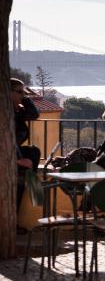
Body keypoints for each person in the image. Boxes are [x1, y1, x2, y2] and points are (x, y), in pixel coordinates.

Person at [12, 78, 40, 232]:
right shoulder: (5, 113)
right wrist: (17, 160)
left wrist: (26, 98)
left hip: (13, 153)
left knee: (33, 151)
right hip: (6, 156)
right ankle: (35, 191)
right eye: (19, 92)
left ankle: (31, 186)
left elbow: (34, 114)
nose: (22, 95)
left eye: (23, 92)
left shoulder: (17, 111)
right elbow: (7, 140)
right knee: (16, 186)